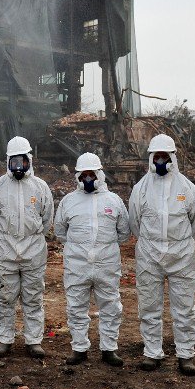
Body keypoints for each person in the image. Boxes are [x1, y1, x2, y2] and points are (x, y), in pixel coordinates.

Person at [128, 134, 195, 375]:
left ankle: (185, 354)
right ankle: (152, 352)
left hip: (181, 254)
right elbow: (134, 223)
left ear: (173, 157)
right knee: (149, 306)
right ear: (151, 157)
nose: (161, 161)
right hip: (149, 254)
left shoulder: (187, 188)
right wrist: (152, 243)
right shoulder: (140, 189)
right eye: (156, 156)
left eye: (165, 156)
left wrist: (179, 244)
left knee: (185, 307)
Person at [54, 152, 130, 366]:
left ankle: (109, 348)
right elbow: (60, 232)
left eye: (92, 174)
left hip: (107, 264)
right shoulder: (68, 202)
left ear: (100, 174)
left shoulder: (113, 201)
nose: (88, 178)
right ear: (77, 176)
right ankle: (79, 348)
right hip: (77, 265)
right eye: (83, 175)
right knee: (76, 307)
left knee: (111, 306)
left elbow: (124, 233)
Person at [0, 136, 54, 359]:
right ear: (8, 161)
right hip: (6, 249)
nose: (18, 166)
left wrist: (31, 238)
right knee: (5, 296)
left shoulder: (40, 187)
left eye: (22, 161)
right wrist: (7, 238)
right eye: (14, 162)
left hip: (33, 249)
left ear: (29, 160)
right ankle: (5, 339)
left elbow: (47, 219)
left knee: (33, 296)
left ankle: (33, 340)